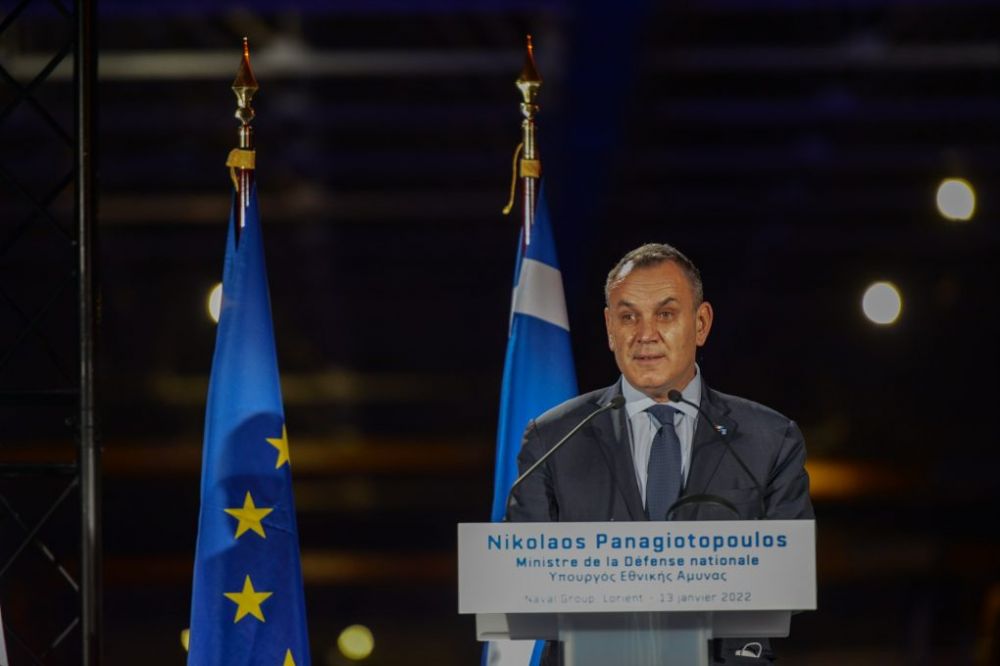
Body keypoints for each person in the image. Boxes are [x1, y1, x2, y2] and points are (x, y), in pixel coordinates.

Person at [507, 242, 813, 664]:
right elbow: (521, 580)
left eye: (665, 315)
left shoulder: (769, 439)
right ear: (609, 328)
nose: (645, 334)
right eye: (628, 317)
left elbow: (790, 579)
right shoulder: (553, 439)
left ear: (701, 324)